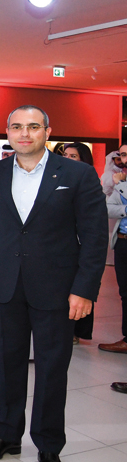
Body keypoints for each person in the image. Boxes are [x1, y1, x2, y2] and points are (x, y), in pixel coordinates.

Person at [0, 105, 106, 462]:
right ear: (7, 133)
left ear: (48, 131)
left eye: (33, 126)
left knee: (51, 369)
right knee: (8, 363)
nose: (24, 133)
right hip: (4, 284)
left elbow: (94, 237)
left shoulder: (77, 174)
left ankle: (48, 446)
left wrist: (84, 289)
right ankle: (7, 434)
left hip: (57, 289)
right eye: (17, 127)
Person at [62, 142, 97, 343]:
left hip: (79, 244)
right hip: (62, 244)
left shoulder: (87, 178)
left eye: (73, 156)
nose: (67, 159)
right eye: (65, 155)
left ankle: (77, 331)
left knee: (80, 287)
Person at [101, 144, 127, 355]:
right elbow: (108, 209)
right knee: (124, 292)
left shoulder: (122, 182)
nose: (124, 159)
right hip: (122, 241)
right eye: (123, 155)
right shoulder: (120, 180)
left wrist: (122, 186)